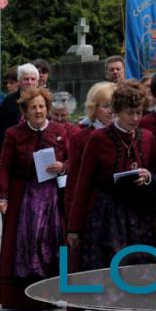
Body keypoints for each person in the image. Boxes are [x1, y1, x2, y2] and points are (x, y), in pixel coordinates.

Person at [66, 81, 156, 311]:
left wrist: (147, 176)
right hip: (107, 215)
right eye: (130, 113)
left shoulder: (147, 137)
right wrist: (74, 227)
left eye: (139, 112)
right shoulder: (98, 138)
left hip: (140, 215)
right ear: (117, 111)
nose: (136, 118)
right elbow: (83, 184)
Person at [0, 87, 67, 311]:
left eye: (42, 106)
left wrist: (63, 167)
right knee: (26, 245)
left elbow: (74, 160)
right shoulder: (14, 134)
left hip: (53, 198)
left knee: (53, 244)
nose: (38, 111)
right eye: (33, 107)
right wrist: (2, 196)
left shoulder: (60, 131)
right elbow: (4, 166)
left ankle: (52, 293)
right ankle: (23, 297)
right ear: (25, 111)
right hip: (23, 196)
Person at [63, 82, 116, 223]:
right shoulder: (80, 137)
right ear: (94, 107)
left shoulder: (126, 134)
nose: (111, 111)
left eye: (114, 106)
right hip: (91, 206)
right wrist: (72, 218)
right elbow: (73, 178)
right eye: (106, 106)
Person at [0, 63, 40, 173]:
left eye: (33, 79)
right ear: (19, 81)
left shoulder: (44, 100)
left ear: (37, 81)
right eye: (26, 79)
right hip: (13, 156)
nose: (30, 82)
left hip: (38, 155)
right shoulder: (8, 101)